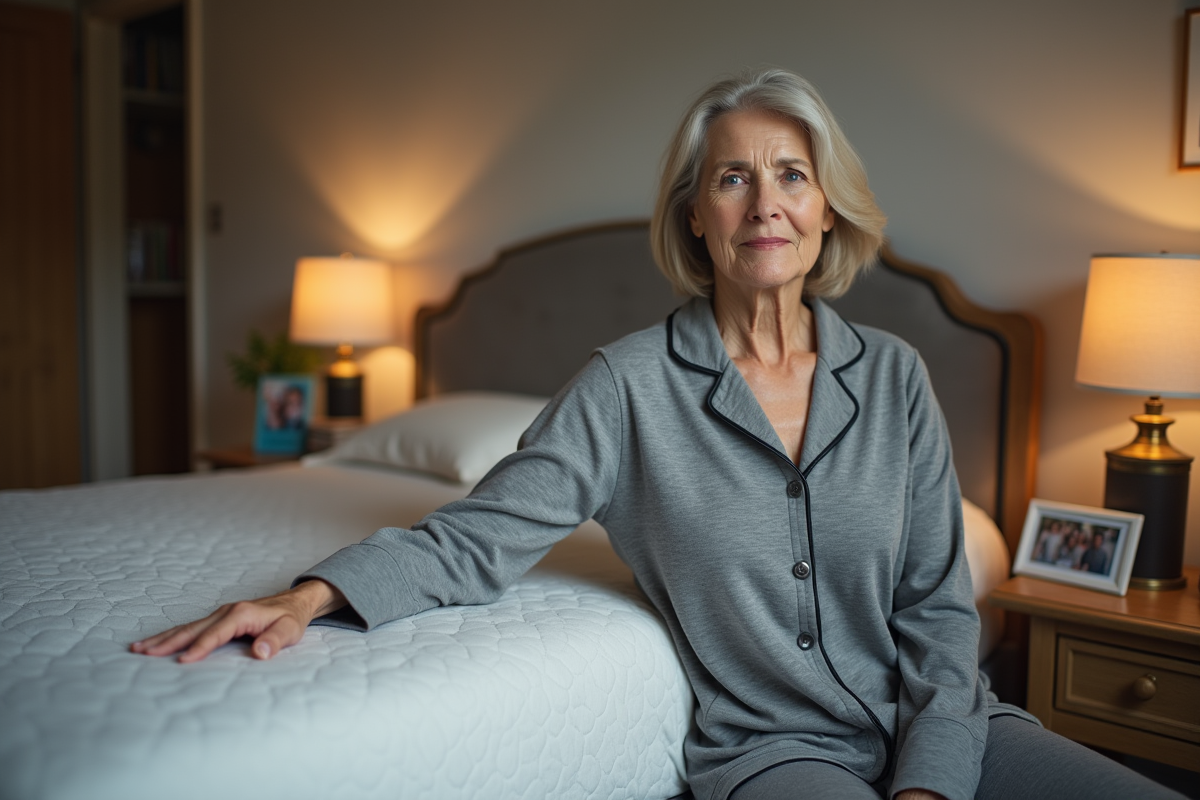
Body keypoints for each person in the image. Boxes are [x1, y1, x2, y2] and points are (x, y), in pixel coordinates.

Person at [131, 69, 1184, 800]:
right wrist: (313, 592)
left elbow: (939, 613)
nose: (763, 202)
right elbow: (478, 531)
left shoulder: (898, 377)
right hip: (775, 753)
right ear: (694, 214)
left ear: (827, 210)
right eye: (732, 177)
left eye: (791, 174)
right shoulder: (629, 385)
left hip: (952, 726)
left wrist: (928, 775)